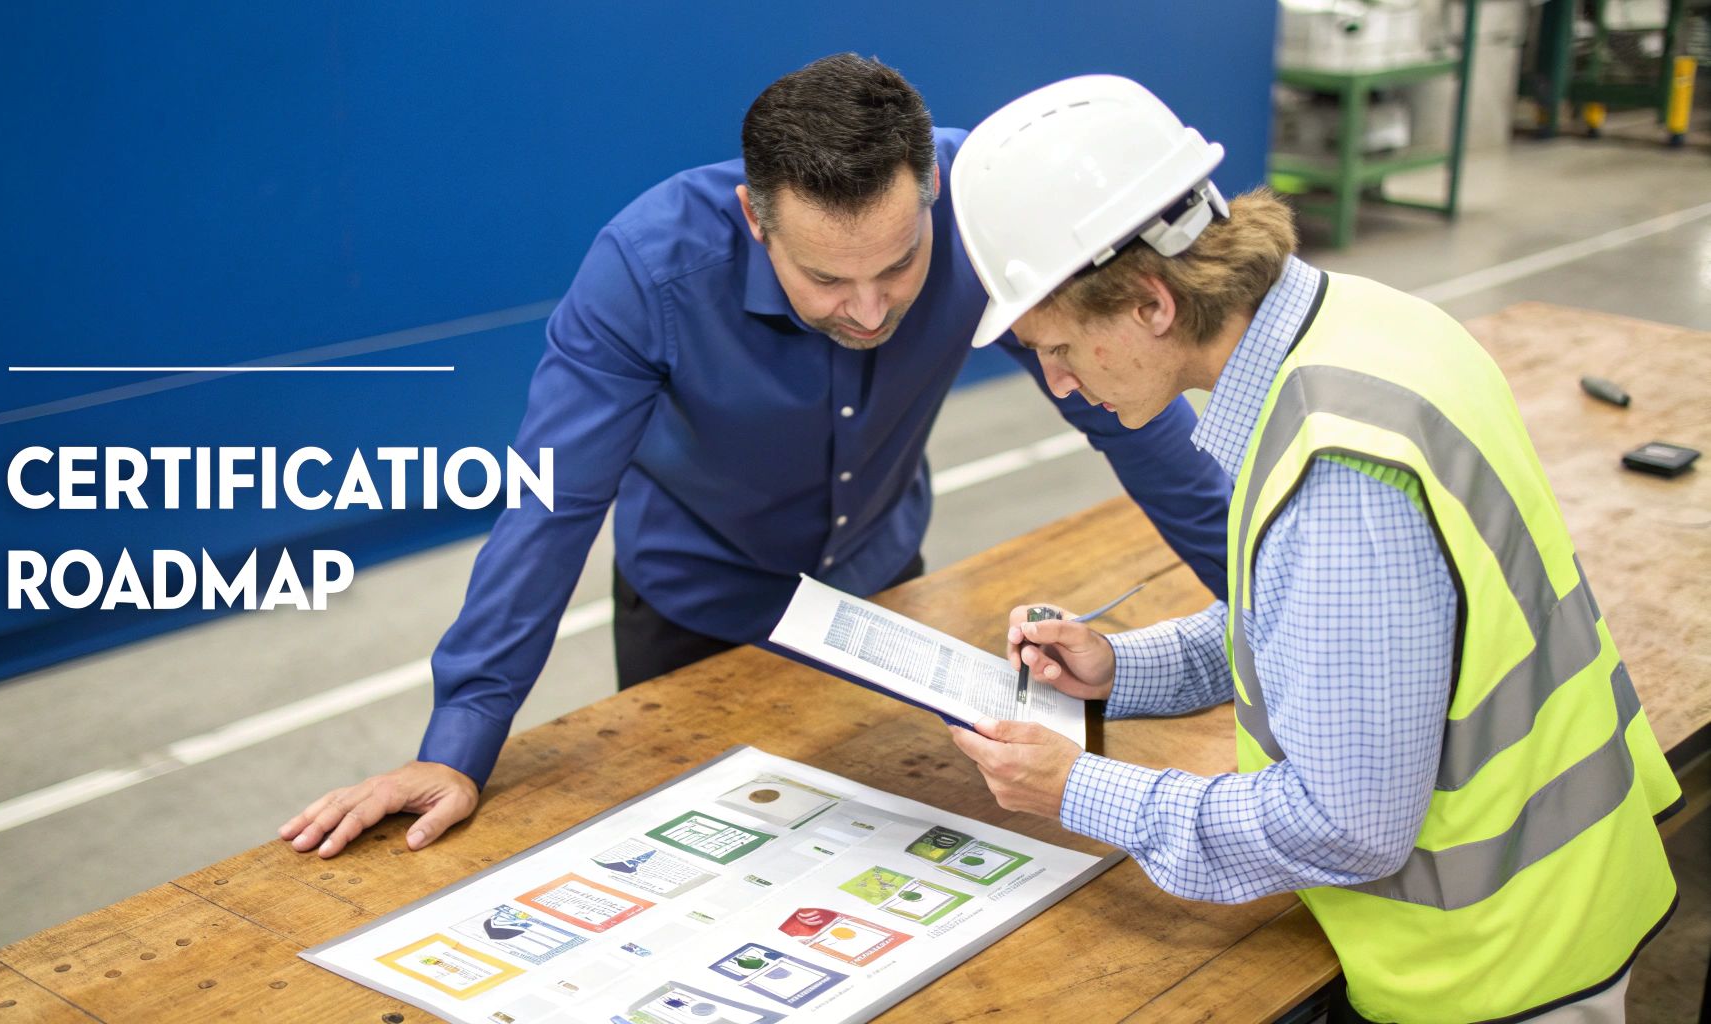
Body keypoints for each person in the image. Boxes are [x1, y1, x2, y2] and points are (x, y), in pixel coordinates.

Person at [279, 56, 1231, 861]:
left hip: (882, 592)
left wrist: (1267, 605)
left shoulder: (988, 217)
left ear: (933, 192)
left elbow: (1132, 421)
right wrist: (459, 744)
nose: (867, 309)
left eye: (898, 266)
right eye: (825, 278)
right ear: (754, 215)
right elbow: (551, 507)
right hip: (698, 606)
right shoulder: (647, 270)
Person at [945, 75, 1679, 1023]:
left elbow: (1345, 827)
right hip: (1571, 874)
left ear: (1150, 304)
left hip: (1495, 956)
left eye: (1059, 347)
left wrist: (1079, 788)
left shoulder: (1340, 472)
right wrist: (1121, 669)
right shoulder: (1362, 327)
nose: (1059, 382)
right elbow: (1325, 628)